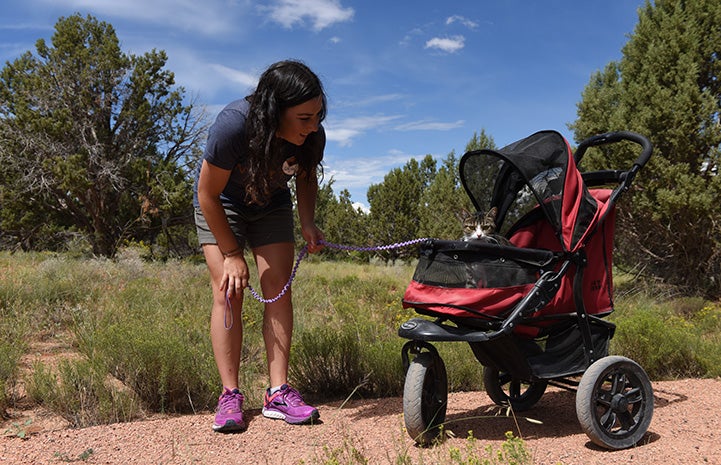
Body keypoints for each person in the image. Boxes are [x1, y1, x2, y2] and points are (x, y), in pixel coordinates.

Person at [193, 60, 326, 433]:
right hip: (223, 204)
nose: (314, 125)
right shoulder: (234, 124)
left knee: (278, 288)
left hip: (271, 204)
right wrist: (232, 255)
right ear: (274, 109)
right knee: (229, 290)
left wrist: (307, 222)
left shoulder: (312, 134)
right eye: (304, 117)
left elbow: (305, 177)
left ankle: (278, 393)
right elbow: (207, 194)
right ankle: (230, 394)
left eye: (317, 115)